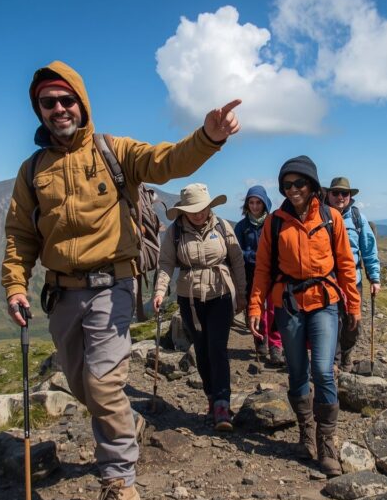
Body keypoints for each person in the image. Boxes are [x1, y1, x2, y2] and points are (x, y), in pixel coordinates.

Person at [1, 60, 240, 500]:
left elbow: (167, 161)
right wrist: (15, 285)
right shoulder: (32, 171)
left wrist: (208, 138)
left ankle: (120, 488)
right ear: (39, 110)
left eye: (66, 99)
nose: (59, 108)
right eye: (48, 102)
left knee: (103, 383)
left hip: (113, 288)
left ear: (81, 103)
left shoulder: (114, 151)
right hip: (61, 294)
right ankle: (124, 427)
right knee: (81, 385)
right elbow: (20, 234)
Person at [247, 156, 360, 477]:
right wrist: (255, 307)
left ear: (311, 184)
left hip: (324, 301)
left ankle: (327, 443)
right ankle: (305, 434)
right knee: (296, 371)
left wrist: (353, 305)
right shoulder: (275, 222)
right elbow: (263, 268)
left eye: (299, 183)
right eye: (287, 185)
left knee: (322, 370)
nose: (293, 189)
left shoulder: (330, 217)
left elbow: (345, 264)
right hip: (288, 303)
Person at [152, 183, 246, 431]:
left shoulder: (222, 226)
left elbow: (236, 260)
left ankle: (222, 405)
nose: (199, 214)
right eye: (193, 210)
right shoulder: (175, 232)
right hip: (190, 298)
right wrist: (160, 291)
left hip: (220, 294)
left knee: (217, 347)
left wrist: (242, 294)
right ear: (184, 210)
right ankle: (211, 398)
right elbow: (166, 263)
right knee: (202, 349)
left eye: (202, 208)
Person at [326, 177, 381, 373]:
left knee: (353, 321)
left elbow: (369, 249)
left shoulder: (358, 218)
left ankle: (346, 355)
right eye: (335, 193)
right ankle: (333, 361)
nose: (340, 197)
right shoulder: (321, 216)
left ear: (350, 196)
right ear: (328, 194)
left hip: (353, 280)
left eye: (345, 193)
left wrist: (374, 278)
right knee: (332, 322)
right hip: (328, 281)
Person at [233, 185, 284, 366]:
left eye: (258, 203)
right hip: (250, 274)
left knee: (274, 309)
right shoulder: (241, 227)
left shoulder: (273, 223)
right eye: (251, 202)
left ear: (265, 203)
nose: (255, 206)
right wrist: (253, 256)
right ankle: (260, 340)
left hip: (272, 273)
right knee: (256, 309)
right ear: (247, 204)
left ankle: (276, 346)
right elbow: (237, 252)